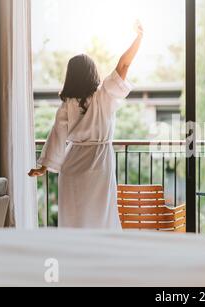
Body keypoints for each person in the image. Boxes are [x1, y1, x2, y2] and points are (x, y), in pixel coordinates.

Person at [28, 22, 144, 229]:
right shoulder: (105, 95)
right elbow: (124, 65)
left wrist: (43, 166)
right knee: (100, 217)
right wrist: (139, 38)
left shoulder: (67, 105)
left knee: (75, 219)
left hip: (72, 167)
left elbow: (56, 136)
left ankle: (73, 256)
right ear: (93, 72)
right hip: (99, 165)